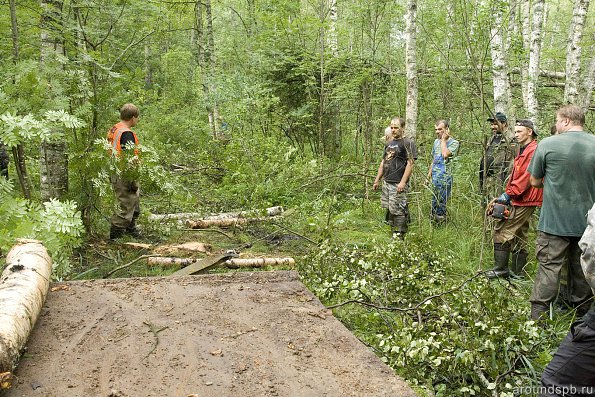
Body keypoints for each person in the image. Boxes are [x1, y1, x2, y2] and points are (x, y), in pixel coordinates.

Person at [527, 104, 595, 321]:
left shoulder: (547, 144)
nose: (556, 124)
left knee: (548, 268)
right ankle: (582, 320)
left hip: (554, 223)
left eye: (557, 120)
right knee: (583, 270)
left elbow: (534, 181)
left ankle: (537, 320)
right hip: (588, 225)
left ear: (566, 120)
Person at [538, 202, 595, 396]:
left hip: (555, 221)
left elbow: (535, 181)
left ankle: (537, 324)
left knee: (556, 385)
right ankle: (578, 309)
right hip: (577, 221)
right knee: (574, 272)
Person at [485, 119, 543, 279]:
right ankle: (518, 274)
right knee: (520, 234)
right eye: (515, 131)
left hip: (524, 199)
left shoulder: (532, 150)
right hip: (522, 198)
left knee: (502, 231)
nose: (516, 135)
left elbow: (525, 178)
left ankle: (501, 269)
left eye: (519, 132)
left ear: (529, 132)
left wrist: (508, 195)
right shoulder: (524, 149)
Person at [373, 117, 417, 239]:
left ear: (403, 128)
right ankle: (393, 230)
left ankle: (399, 235)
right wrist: (377, 180)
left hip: (398, 182)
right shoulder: (389, 143)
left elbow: (410, 163)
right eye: (391, 127)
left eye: (396, 127)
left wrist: (403, 182)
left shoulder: (408, 143)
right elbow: (383, 162)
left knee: (398, 208)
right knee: (390, 207)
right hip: (387, 181)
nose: (393, 130)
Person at [107, 103, 142, 240]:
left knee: (133, 201)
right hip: (124, 173)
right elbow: (129, 157)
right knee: (125, 204)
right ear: (133, 118)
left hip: (115, 169)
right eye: (137, 118)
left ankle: (130, 229)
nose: (137, 121)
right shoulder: (126, 133)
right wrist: (132, 177)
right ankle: (115, 238)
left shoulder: (115, 128)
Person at [427, 119, 459, 223]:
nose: (437, 132)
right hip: (435, 177)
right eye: (436, 129)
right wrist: (428, 177)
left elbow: (445, 155)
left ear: (447, 129)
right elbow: (434, 160)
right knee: (434, 200)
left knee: (441, 201)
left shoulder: (454, 143)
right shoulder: (436, 142)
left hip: (445, 178)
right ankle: (433, 222)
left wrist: (444, 141)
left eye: (440, 129)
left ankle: (441, 223)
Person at [479, 112, 514, 206]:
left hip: (499, 182)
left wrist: (507, 187)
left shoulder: (510, 140)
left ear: (504, 124)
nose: (493, 127)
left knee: (498, 208)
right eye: (492, 124)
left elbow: (511, 166)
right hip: (488, 180)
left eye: (495, 123)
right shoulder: (492, 138)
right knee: (488, 207)